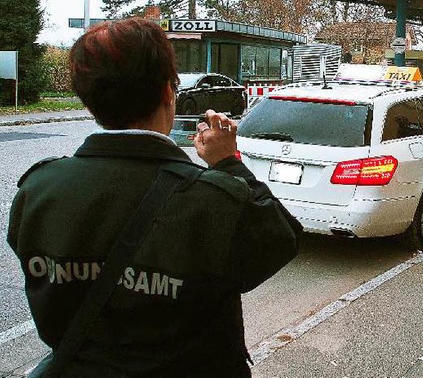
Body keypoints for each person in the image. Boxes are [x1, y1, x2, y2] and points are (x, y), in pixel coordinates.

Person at [8, 18, 303, 377]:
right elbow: (281, 240)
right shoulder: (211, 200)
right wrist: (228, 161)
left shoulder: (37, 190)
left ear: (89, 102)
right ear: (168, 92)